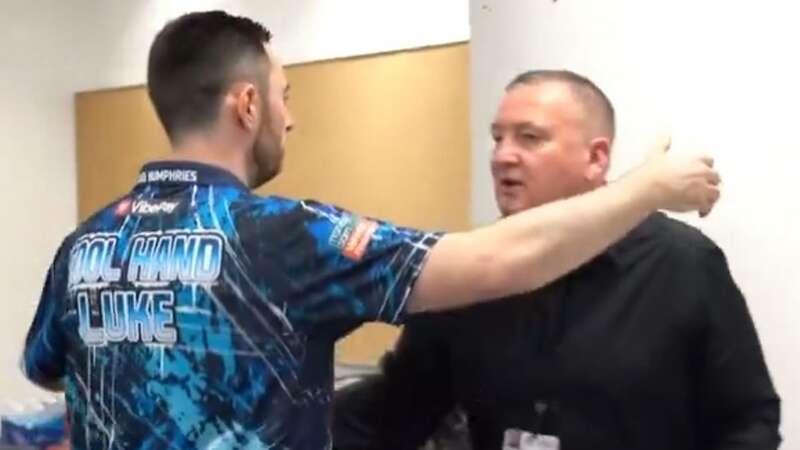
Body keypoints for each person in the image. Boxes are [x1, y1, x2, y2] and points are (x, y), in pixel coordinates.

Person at [21, 11, 720, 450]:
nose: (288, 120)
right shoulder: (287, 240)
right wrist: (650, 187)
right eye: (282, 97)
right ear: (245, 104)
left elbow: (47, 370)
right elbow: (496, 262)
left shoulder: (84, 246)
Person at [332, 70, 780, 450]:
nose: (503, 155)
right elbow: (394, 413)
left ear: (596, 158)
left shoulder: (683, 265)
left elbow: (747, 420)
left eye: (530, 138)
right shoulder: (471, 275)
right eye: (498, 138)